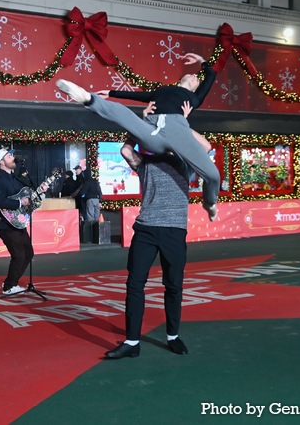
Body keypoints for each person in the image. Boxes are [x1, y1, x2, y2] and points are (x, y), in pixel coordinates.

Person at [56, 52, 221, 221]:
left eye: (197, 79)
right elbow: (139, 96)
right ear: (179, 80)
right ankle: (89, 99)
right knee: (124, 113)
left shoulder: (194, 97)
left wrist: (202, 62)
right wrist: (111, 93)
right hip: (152, 130)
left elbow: (211, 75)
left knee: (213, 175)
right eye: (192, 75)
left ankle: (209, 203)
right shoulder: (162, 91)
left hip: (177, 130)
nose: (195, 76)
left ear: (195, 89)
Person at [105, 110, 191, 359]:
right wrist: (140, 124)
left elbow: (195, 143)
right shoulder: (146, 163)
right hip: (146, 229)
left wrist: (181, 120)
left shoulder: (185, 162)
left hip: (174, 230)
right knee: (134, 283)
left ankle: (173, 336)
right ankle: (132, 342)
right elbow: (124, 151)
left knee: (173, 285)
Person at [0, 148, 48, 297]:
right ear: (1, 162)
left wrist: (39, 191)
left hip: (17, 222)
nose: (12, 157)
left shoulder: (15, 178)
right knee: (19, 255)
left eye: (12, 155)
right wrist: (19, 203)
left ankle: (10, 282)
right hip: (5, 224)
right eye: (9, 156)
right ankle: (9, 286)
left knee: (28, 253)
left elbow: (26, 198)